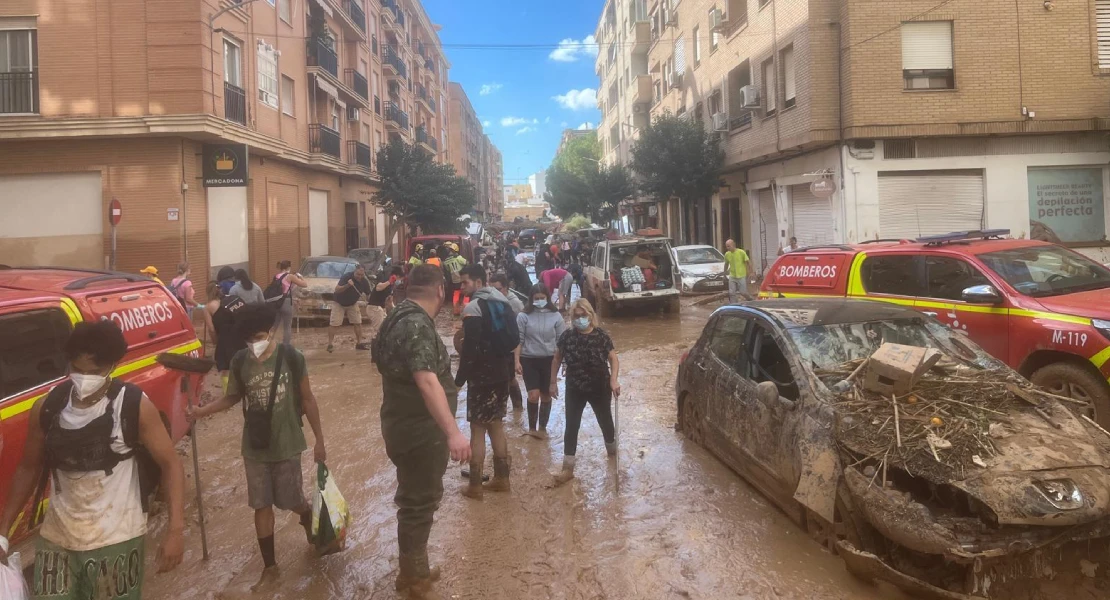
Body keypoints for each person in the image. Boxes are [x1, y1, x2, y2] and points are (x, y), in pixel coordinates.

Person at [0, 321, 185, 598]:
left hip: (117, 538)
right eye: (78, 369)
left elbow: (171, 464)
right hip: (57, 539)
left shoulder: (134, 406)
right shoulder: (48, 406)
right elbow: (28, 467)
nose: (85, 378)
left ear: (112, 365)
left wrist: (176, 530)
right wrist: (3, 534)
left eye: (95, 372)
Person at [187, 304, 326, 589]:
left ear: (272, 330)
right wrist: (202, 412)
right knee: (261, 504)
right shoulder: (240, 361)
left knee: (291, 500)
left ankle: (306, 513)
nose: (255, 344)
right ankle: (270, 567)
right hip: (255, 446)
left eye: (259, 336)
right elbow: (232, 398)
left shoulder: (292, 357)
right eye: (249, 339)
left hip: (287, 442)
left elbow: (308, 399)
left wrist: (320, 441)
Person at [376, 265, 471, 598]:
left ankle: (412, 569)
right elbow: (426, 379)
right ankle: (415, 579)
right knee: (419, 503)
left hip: (400, 422)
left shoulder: (395, 316)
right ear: (441, 291)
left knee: (413, 499)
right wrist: (454, 432)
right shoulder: (417, 325)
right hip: (420, 430)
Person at [455, 265, 517, 499]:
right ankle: (502, 479)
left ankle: (474, 486)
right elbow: (513, 339)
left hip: (481, 377)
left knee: (478, 428)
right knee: (497, 425)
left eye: (465, 283)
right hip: (502, 373)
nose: (462, 287)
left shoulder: (473, 308)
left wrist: (459, 380)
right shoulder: (503, 300)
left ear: (479, 283)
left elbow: (469, 351)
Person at [549, 299, 620, 486]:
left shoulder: (602, 336)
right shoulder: (567, 337)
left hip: (600, 386)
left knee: (605, 421)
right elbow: (556, 359)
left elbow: (613, 358)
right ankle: (567, 468)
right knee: (571, 425)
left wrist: (614, 380)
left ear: (591, 315)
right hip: (575, 387)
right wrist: (552, 382)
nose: (580, 319)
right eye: (577, 316)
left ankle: (613, 455)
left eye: (584, 316)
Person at [516, 284, 567, 439]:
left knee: (546, 395)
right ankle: (532, 429)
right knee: (533, 395)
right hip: (529, 359)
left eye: (542, 298)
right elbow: (519, 340)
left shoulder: (556, 316)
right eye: (536, 298)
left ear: (548, 298)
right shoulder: (523, 316)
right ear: (531, 299)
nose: (539, 301)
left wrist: (564, 363)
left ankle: (542, 429)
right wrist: (516, 361)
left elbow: (562, 341)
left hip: (550, 361)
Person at [203, 280, 248, 393]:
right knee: (243, 361)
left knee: (225, 367)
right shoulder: (231, 299)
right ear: (220, 290)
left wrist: (215, 341)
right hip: (240, 334)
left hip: (225, 337)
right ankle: (245, 386)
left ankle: (228, 392)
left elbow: (211, 329)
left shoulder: (208, 307)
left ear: (208, 292)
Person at [490, 273, 526, 411]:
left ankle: (517, 409)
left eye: (498, 289)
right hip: (497, 347)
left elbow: (520, 329)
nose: (494, 293)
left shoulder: (514, 303)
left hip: (511, 348)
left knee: (509, 379)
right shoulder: (492, 300)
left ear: (506, 288)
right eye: (491, 289)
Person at [328, 264, 372, 353]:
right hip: (339, 303)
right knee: (334, 323)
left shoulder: (364, 281)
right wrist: (347, 285)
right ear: (354, 271)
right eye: (357, 274)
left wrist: (370, 302)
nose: (359, 276)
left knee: (358, 323)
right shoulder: (347, 277)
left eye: (361, 275)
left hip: (352, 304)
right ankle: (330, 344)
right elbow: (337, 289)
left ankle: (359, 343)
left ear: (364, 273)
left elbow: (368, 294)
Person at [272, 260, 308, 345]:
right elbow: (304, 284)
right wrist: (300, 276)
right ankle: (286, 346)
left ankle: (268, 344)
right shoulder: (290, 276)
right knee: (287, 326)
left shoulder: (276, 276)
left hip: (277, 302)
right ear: (288, 267)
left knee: (275, 325)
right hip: (286, 302)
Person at [367, 266, 403, 344]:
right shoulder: (386, 279)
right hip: (374, 307)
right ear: (397, 276)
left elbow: (390, 300)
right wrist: (389, 282)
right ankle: (376, 347)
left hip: (380, 308)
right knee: (379, 330)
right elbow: (378, 288)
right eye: (400, 279)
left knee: (386, 327)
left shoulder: (391, 285)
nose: (400, 281)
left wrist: (396, 309)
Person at [442, 243, 468, 316]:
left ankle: (456, 311)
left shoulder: (446, 260)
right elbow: (466, 263)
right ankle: (466, 309)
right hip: (462, 279)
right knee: (466, 293)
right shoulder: (459, 258)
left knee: (456, 294)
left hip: (454, 280)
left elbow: (447, 270)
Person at [723, 239, 752, 303]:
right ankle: (734, 305)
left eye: (729, 246)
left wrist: (750, 273)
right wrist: (724, 274)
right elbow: (726, 264)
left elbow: (748, 262)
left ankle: (750, 299)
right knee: (732, 292)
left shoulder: (741, 252)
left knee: (743, 292)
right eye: (726, 246)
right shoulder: (727, 254)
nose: (727, 248)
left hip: (741, 275)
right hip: (732, 275)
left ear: (733, 245)